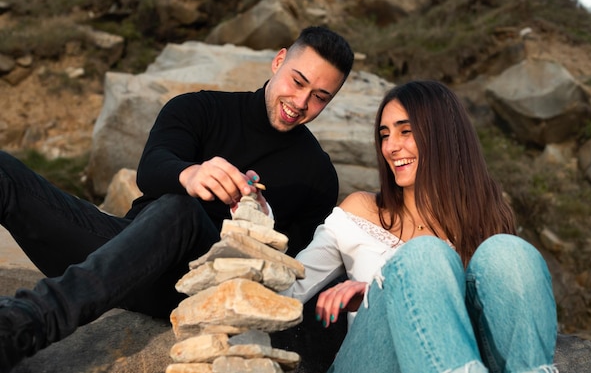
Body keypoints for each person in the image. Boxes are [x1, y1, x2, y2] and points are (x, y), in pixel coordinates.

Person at [0, 26, 354, 372]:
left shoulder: (318, 176)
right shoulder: (200, 108)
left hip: (196, 290)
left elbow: (291, 279)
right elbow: (152, 168)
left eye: (320, 97)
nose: (301, 102)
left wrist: (260, 223)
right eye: (298, 81)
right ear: (278, 62)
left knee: (180, 210)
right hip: (124, 254)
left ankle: (19, 328)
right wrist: (190, 174)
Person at [283, 80, 558, 373]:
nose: (390, 147)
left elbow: (512, 323)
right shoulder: (358, 212)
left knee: (510, 252)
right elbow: (288, 289)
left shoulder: (484, 220)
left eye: (406, 131)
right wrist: (385, 294)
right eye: (384, 135)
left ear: (442, 136)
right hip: (371, 362)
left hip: (457, 358)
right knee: (423, 254)